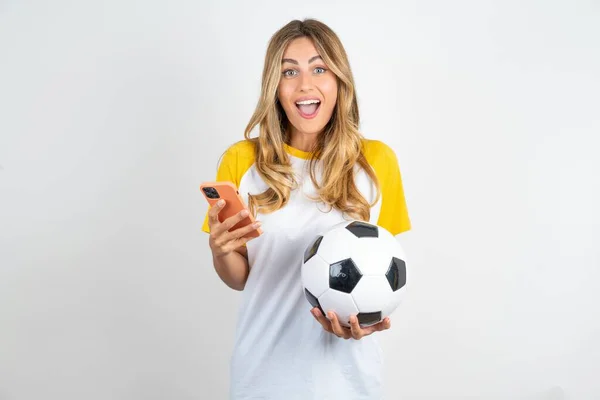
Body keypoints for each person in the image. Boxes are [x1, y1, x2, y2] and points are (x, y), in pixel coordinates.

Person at [202, 18, 411, 400]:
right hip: (263, 376)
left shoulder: (377, 162)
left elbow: (382, 276)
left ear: (339, 81)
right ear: (275, 87)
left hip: (350, 381)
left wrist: (365, 321)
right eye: (289, 72)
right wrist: (221, 250)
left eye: (319, 68)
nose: (305, 85)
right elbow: (240, 278)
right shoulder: (241, 161)